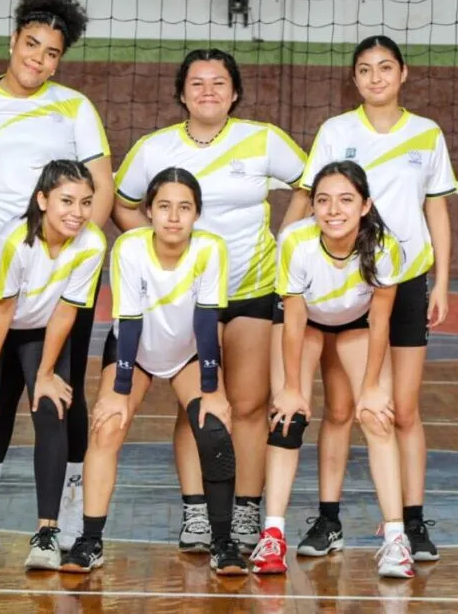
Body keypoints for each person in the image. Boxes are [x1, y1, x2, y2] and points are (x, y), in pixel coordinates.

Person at [0, 0, 114, 552]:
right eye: (31, 44)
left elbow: (101, 186)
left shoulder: (75, 108)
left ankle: (60, 511)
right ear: (13, 41)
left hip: (58, 273)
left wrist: (77, 246)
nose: (38, 58)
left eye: (52, 52)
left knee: (61, 395)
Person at [111, 49, 309, 553]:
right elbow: (120, 201)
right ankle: (197, 512)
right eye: (196, 83)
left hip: (251, 288)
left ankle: (245, 511)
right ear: (181, 93)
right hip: (185, 298)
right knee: (195, 404)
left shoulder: (263, 139)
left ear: (234, 92)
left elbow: (310, 184)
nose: (207, 91)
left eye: (218, 83)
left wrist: (285, 237)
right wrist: (159, 250)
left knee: (247, 405)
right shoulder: (154, 149)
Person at [291, 35, 457, 561]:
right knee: (340, 409)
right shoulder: (336, 131)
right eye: (365, 70)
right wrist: (287, 252)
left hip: (403, 283)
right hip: (343, 279)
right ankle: (328, 519)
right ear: (354, 78)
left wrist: (443, 281)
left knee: (402, 409)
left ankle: (411, 522)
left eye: (386, 68)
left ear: (403, 73)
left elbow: (437, 211)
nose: (376, 77)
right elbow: (306, 196)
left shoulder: (427, 134)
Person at [59, 167, 248, 575]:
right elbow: (128, 323)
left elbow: (206, 322)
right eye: (164, 206)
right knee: (107, 426)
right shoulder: (128, 247)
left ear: (197, 213)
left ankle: (222, 542)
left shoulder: (211, 248)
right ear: (148, 211)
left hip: (188, 352)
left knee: (213, 427)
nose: (174, 217)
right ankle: (90, 540)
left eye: (184, 207)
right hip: (136, 349)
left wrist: (212, 389)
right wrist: (118, 390)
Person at [249, 160, 413, 578]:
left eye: (345, 200)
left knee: (376, 417)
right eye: (322, 200)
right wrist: (289, 387)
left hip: (358, 324)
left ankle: (396, 540)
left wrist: (373, 386)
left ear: (365, 206)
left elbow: (379, 321)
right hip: (304, 324)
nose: (332, 210)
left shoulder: (384, 246)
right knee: (287, 419)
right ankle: (272, 537)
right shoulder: (295, 241)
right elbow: (295, 319)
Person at [0, 160, 106, 571]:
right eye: (67, 201)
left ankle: (48, 533)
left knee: (52, 407)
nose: (78, 212)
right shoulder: (17, 240)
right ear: (42, 200)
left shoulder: (92, 244)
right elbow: (2, 312)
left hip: (41, 321)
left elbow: (67, 312)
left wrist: (46, 374)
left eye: (86, 202)